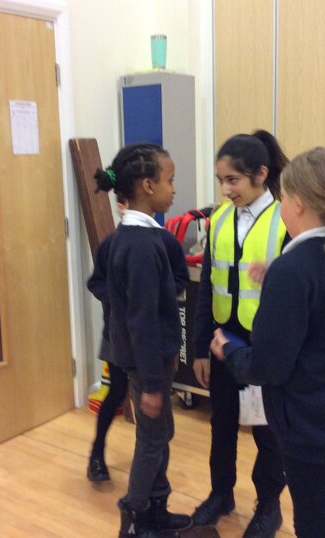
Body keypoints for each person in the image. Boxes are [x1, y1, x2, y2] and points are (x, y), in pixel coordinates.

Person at [210, 147, 325, 537]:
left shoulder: (293, 270)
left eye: (282, 196)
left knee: (316, 526)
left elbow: (267, 367)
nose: (280, 203)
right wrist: (279, 276)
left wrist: (229, 350)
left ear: (297, 204)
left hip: (312, 424)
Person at [192, 130, 289, 537]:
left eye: (232, 180)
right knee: (223, 425)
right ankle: (221, 494)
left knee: (269, 434)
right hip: (221, 343)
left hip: (264, 347)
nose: (225, 189)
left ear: (261, 174)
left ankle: (268, 506)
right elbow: (205, 288)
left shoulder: (285, 220)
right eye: (221, 180)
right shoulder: (218, 219)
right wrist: (200, 348)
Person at [94, 143, 192, 537]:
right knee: (152, 439)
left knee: (160, 434)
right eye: (170, 180)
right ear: (148, 186)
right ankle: (134, 516)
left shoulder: (140, 238)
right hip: (144, 363)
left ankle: (157, 508)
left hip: (147, 360)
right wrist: (151, 383)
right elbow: (143, 320)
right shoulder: (139, 246)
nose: (174, 189)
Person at [86, 197, 189, 483]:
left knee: (156, 408)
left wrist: (157, 294)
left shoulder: (165, 242)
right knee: (117, 391)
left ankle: (153, 474)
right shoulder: (112, 243)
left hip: (152, 336)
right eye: (121, 202)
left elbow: (180, 277)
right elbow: (96, 282)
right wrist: (122, 298)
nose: (125, 206)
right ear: (120, 206)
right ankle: (97, 452)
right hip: (119, 335)